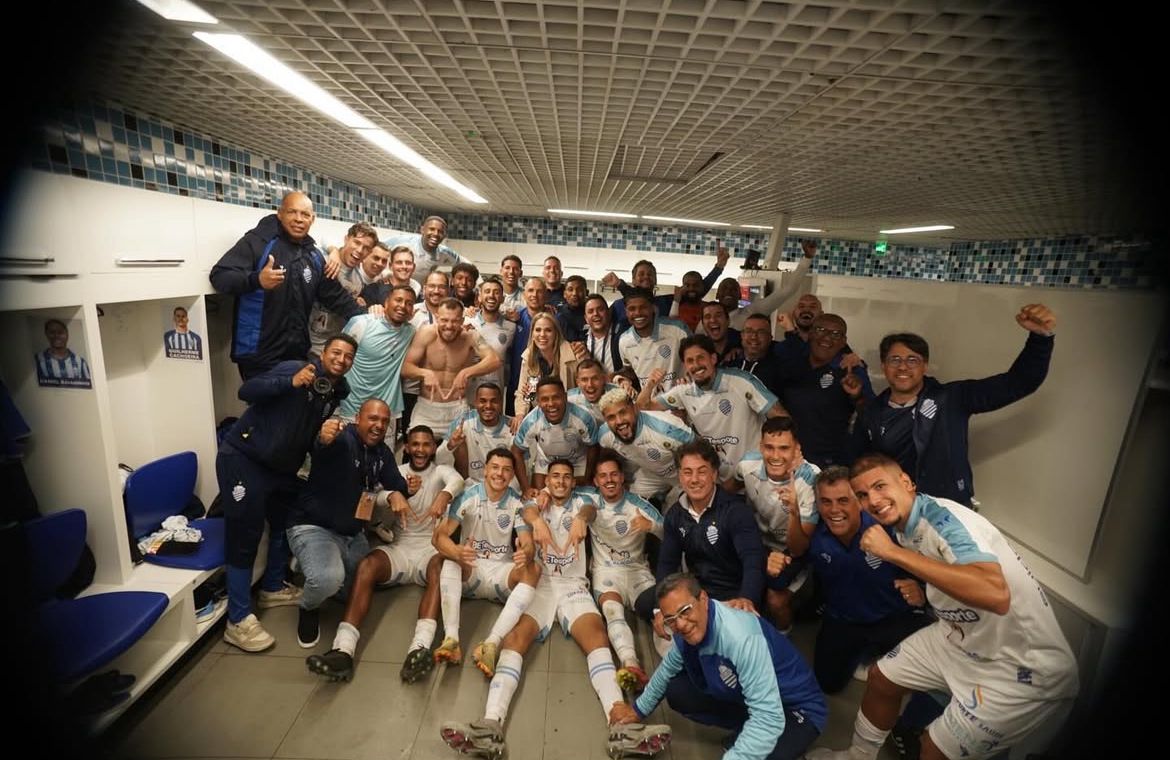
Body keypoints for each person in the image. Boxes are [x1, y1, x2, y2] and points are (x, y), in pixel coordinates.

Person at [806, 453, 1078, 760]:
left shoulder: (944, 519)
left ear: (906, 482)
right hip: (959, 635)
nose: (874, 500)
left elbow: (995, 594)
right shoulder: (901, 523)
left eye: (881, 486)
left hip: (1021, 666)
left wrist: (892, 553)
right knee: (882, 678)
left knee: (932, 749)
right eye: (864, 495)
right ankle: (859, 756)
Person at [439, 459, 672, 760]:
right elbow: (527, 510)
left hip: (575, 585)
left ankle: (621, 723)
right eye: (554, 477)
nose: (561, 481)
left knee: (597, 639)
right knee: (515, 641)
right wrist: (536, 520)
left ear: (574, 482)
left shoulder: (587, 499)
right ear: (547, 480)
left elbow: (590, 510)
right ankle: (490, 725)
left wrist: (581, 519)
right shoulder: (534, 500)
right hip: (542, 585)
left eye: (566, 477)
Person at [215, 333, 357, 651]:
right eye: (337, 352)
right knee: (244, 535)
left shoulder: (336, 390)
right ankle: (237, 621)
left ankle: (272, 586)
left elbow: (306, 431)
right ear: (324, 353)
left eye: (349, 356)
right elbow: (247, 390)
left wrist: (322, 439)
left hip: (280, 469)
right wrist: (290, 382)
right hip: (244, 459)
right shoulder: (295, 367)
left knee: (284, 520)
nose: (341, 359)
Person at [852, 304, 1057, 506]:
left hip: (949, 508)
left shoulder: (952, 398)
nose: (903, 366)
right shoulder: (871, 412)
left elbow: (1019, 382)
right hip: (894, 511)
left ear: (925, 366)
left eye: (912, 360)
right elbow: (857, 463)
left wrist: (1040, 339)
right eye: (894, 359)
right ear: (883, 366)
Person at [305, 425, 465, 683]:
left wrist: (444, 495)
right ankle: (342, 650)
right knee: (367, 565)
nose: (421, 450)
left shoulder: (441, 472)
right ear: (408, 447)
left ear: (434, 448)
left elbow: (457, 481)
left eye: (426, 444)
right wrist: (392, 495)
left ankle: (419, 648)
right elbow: (372, 495)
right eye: (415, 444)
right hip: (401, 548)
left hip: (429, 549)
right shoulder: (397, 473)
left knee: (441, 568)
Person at [610, 572, 827, 760]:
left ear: (703, 599)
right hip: (753, 697)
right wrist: (638, 710)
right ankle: (747, 731)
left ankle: (764, 737)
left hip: (795, 709)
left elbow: (769, 718)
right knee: (677, 690)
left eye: (685, 610)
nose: (681, 624)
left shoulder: (740, 637)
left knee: (765, 749)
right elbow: (667, 670)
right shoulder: (685, 630)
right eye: (671, 619)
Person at [286, 399, 411, 649]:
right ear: (357, 419)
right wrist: (324, 437)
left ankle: (306, 564)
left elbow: (396, 484)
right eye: (373, 419)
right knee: (327, 581)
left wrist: (401, 491)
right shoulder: (343, 439)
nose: (379, 425)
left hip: (353, 533)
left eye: (385, 421)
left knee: (356, 589)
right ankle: (308, 605)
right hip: (315, 527)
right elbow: (323, 446)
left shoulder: (381, 452)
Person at [798, 465, 932, 695]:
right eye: (826, 502)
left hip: (891, 616)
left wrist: (920, 589)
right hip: (843, 620)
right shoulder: (814, 536)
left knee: (925, 679)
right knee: (827, 685)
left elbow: (930, 567)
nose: (834, 510)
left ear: (859, 502)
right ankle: (861, 651)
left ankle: (877, 651)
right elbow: (790, 565)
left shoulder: (888, 528)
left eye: (843, 500)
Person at [209, 191, 363, 378]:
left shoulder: (313, 256)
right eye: (292, 212)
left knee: (292, 406)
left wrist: (369, 317)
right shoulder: (258, 242)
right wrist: (256, 280)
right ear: (280, 214)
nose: (299, 219)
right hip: (258, 354)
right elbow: (220, 276)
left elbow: (335, 296)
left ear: (312, 219)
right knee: (262, 406)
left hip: (296, 353)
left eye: (305, 215)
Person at [634, 440, 766, 633]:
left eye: (702, 471)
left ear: (714, 474)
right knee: (646, 603)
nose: (694, 479)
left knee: (724, 628)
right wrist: (660, 609)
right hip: (698, 591)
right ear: (680, 476)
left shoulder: (735, 511)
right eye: (687, 472)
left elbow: (753, 560)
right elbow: (667, 564)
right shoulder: (675, 515)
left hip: (732, 592)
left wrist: (747, 598)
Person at [430, 448, 541, 671]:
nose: (500, 474)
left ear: (512, 476)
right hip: (472, 569)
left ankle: (491, 644)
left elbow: (527, 542)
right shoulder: (468, 497)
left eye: (507, 470)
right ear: (486, 470)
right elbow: (438, 538)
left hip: (501, 572)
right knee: (449, 560)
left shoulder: (516, 504)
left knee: (534, 569)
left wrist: (526, 553)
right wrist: (457, 551)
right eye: (495, 468)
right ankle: (451, 640)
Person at [641, 334, 784, 483]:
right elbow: (643, 408)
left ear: (713, 359)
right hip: (719, 481)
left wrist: (770, 457)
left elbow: (781, 418)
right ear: (685, 366)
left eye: (701, 358)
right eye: (690, 361)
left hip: (755, 475)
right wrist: (650, 384)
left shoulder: (742, 382)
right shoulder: (683, 391)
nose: (696, 365)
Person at [732, 416, 820, 631]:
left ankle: (783, 637)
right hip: (759, 542)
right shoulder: (746, 465)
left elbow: (800, 547)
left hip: (792, 547)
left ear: (796, 449)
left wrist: (793, 510)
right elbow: (729, 489)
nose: (776, 456)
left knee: (775, 600)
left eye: (784, 448)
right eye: (769, 448)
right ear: (761, 447)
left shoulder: (811, 478)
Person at [587, 449, 666, 686]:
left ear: (622, 477)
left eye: (614, 474)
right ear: (595, 481)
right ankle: (630, 663)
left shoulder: (639, 504)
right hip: (605, 572)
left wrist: (650, 526)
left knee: (661, 614)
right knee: (612, 611)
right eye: (603, 476)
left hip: (638, 571)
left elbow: (671, 534)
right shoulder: (590, 501)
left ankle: (678, 663)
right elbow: (558, 492)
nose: (609, 480)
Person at [775, 313, 873, 468]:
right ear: (811, 334)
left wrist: (857, 395)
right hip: (786, 457)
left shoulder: (851, 369)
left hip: (827, 463)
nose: (827, 338)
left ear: (843, 342)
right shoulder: (793, 361)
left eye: (835, 334)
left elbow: (871, 414)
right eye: (821, 330)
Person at [403, 298, 501, 442]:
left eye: (455, 321)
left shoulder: (470, 336)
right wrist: (424, 373)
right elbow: (405, 368)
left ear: (462, 320)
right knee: (416, 453)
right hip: (426, 407)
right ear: (436, 318)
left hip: (457, 407)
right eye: (444, 320)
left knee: (457, 458)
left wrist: (466, 372)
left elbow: (494, 360)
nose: (449, 326)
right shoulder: (425, 333)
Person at [339, 284, 416, 444]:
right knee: (346, 460)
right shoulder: (362, 323)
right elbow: (338, 355)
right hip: (352, 408)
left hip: (387, 412)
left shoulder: (410, 332)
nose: (403, 306)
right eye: (398, 300)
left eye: (409, 303)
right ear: (386, 302)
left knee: (381, 463)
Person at [597, 388, 694, 504]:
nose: (619, 421)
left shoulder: (667, 428)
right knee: (630, 503)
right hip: (652, 473)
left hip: (682, 474)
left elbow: (700, 451)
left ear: (634, 409)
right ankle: (659, 498)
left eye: (623, 412)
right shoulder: (605, 435)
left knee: (681, 510)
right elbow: (605, 456)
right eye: (611, 417)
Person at [512, 377, 599, 494]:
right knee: (539, 497)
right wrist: (525, 488)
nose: (551, 404)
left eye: (556, 397)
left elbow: (593, 446)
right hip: (546, 461)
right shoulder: (531, 421)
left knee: (578, 496)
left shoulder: (584, 417)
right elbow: (516, 451)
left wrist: (588, 478)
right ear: (538, 401)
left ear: (565, 396)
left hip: (577, 461)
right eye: (544, 399)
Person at [603, 244, 728, 323]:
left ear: (656, 280)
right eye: (641, 274)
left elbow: (695, 291)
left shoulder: (665, 302)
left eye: (650, 274)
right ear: (634, 280)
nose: (646, 276)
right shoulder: (618, 306)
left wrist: (718, 268)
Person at [308, 222, 378, 358]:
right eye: (356, 242)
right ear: (346, 239)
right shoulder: (325, 261)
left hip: (334, 348)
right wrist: (333, 250)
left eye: (366, 248)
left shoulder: (358, 280)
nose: (359, 250)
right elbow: (322, 239)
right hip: (309, 345)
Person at [723, 240, 818, 332]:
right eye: (724, 288)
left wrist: (807, 258)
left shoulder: (753, 311)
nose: (728, 291)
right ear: (717, 295)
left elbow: (788, 289)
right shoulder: (710, 316)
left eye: (733, 289)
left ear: (740, 295)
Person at [617, 287, 691, 390]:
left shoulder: (677, 330)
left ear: (653, 308)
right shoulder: (624, 341)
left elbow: (696, 358)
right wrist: (619, 378)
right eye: (632, 309)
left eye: (643, 307)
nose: (638, 313)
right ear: (626, 312)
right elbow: (630, 371)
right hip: (649, 404)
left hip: (681, 401)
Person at [513, 311, 579, 420]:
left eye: (548, 330)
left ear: (556, 333)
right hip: (542, 417)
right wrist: (520, 415)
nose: (542, 334)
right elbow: (524, 394)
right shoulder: (529, 357)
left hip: (571, 415)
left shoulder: (573, 354)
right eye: (538, 330)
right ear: (532, 334)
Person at [446, 383, 514, 483]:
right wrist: (451, 445)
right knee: (459, 441)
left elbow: (522, 468)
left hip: (502, 486)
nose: (488, 406)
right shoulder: (462, 421)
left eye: (494, 401)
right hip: (470, 486)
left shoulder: (512, 426)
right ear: (475, 402)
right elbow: (440, 459)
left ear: (501, 403)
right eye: (483, 401)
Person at [464, 276, 515, 401]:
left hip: (495, 397)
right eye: (487, 291)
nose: (491, 295)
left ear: (502, 299)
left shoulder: (512, 328)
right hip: (467, 396)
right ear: (479, 297)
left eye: (496, 292)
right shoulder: (466, 323)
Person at [505, 276, 548, 416]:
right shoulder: (514, 319)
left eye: (539, 291)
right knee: (517, 425)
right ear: (524, 294)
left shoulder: (553, 321)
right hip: (516, 384)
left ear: (546, 294)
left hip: (541, 386)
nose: (534, 295)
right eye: (530, 290)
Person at [382, 215, 468, 283]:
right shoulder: (402, 241)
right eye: (432, 229)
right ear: (422, 230)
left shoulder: (444, 253)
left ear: (444, 236)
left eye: (440, 231)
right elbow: (376, 248)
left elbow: (467, 265)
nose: (436, 234)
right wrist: (383, 271)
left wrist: (480, 285)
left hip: (416, 291)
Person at [732, 313, 783, 394]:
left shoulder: (780, 370)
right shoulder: (730, 364)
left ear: (770, 338)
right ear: (742, 335)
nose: (754, 336)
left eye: (761, 332)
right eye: (749, 331)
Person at [35, 318, 91, 388]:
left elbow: (88, 389)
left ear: (67, 334)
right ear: (46, 334)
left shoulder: (80, 362)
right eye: (52, 332)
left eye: (60, 332)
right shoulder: (37, 361)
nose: (56, 336)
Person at [566, 358, 618, 426]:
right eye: (584, 380)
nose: (590, 384)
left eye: (595, 378)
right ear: (578, 382)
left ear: (603, 379)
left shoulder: (618, 395)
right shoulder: (568, 399)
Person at [583, 293, 625, 375]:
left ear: (609, 312)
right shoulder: (581, 340)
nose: (595, 314)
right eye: (590, 311)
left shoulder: (622, 336)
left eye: (600, 309)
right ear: (586, 318)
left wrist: (614, 376)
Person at [701, 301, 743, 365]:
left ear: (728, 321)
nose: (713, 320)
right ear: (703, 324)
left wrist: (745, 352)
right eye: (707, 317)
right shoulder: (699, 347)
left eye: (718, 315)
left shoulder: (743, 340)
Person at [556, 274, 589, 341]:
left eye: (579, 290)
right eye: (570, 289)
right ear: (564, 294)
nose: (574, 293)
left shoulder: (593, 313)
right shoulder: (557, 312)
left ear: (587, 292)